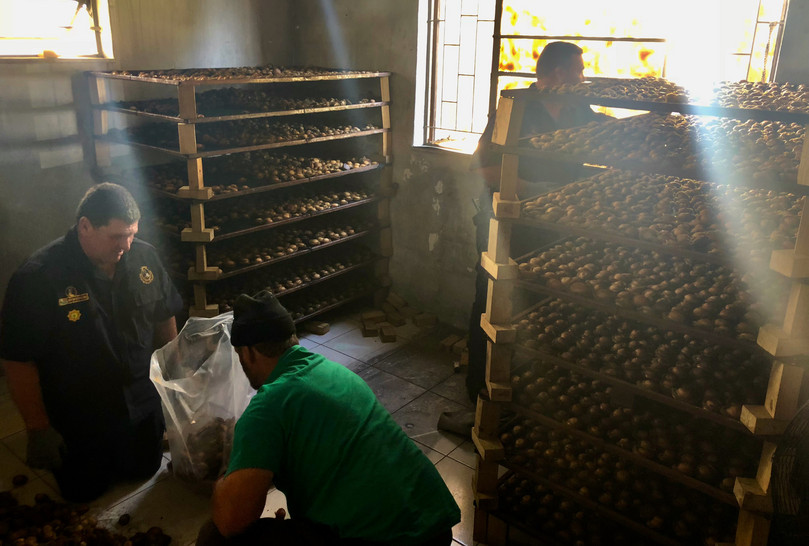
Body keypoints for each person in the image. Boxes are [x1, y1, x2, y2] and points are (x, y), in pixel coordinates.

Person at [196, 290, 461, 546]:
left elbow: (232, 520)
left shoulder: (268, 405)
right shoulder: (336, 372)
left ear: (249, 352)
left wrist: (223, 483)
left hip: (393, 540)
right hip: (435, 525)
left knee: (215, 538)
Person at [0, 182, 183, 502]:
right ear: (85, 226)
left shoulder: (144, 257)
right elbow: (18, 358)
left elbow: (163, 314)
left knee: (143, 470)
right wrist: (37, 427)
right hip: (81, 418)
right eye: (116, 236)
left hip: (140, 403)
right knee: (84, 492)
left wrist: (172, 377)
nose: (126, 244)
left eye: (132, 233)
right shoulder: (39, 278)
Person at [464, 41, 612, 405]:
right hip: (507, 226)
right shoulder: (513, 109)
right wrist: (532, 189)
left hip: (556, 229)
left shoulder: (579, 110)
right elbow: (482, 169)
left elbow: (606, 134)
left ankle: (524, 389)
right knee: (493, 303)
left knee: (539, 307)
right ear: (559, 74)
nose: (583, 77)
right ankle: (479, 394)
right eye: (579, 70)